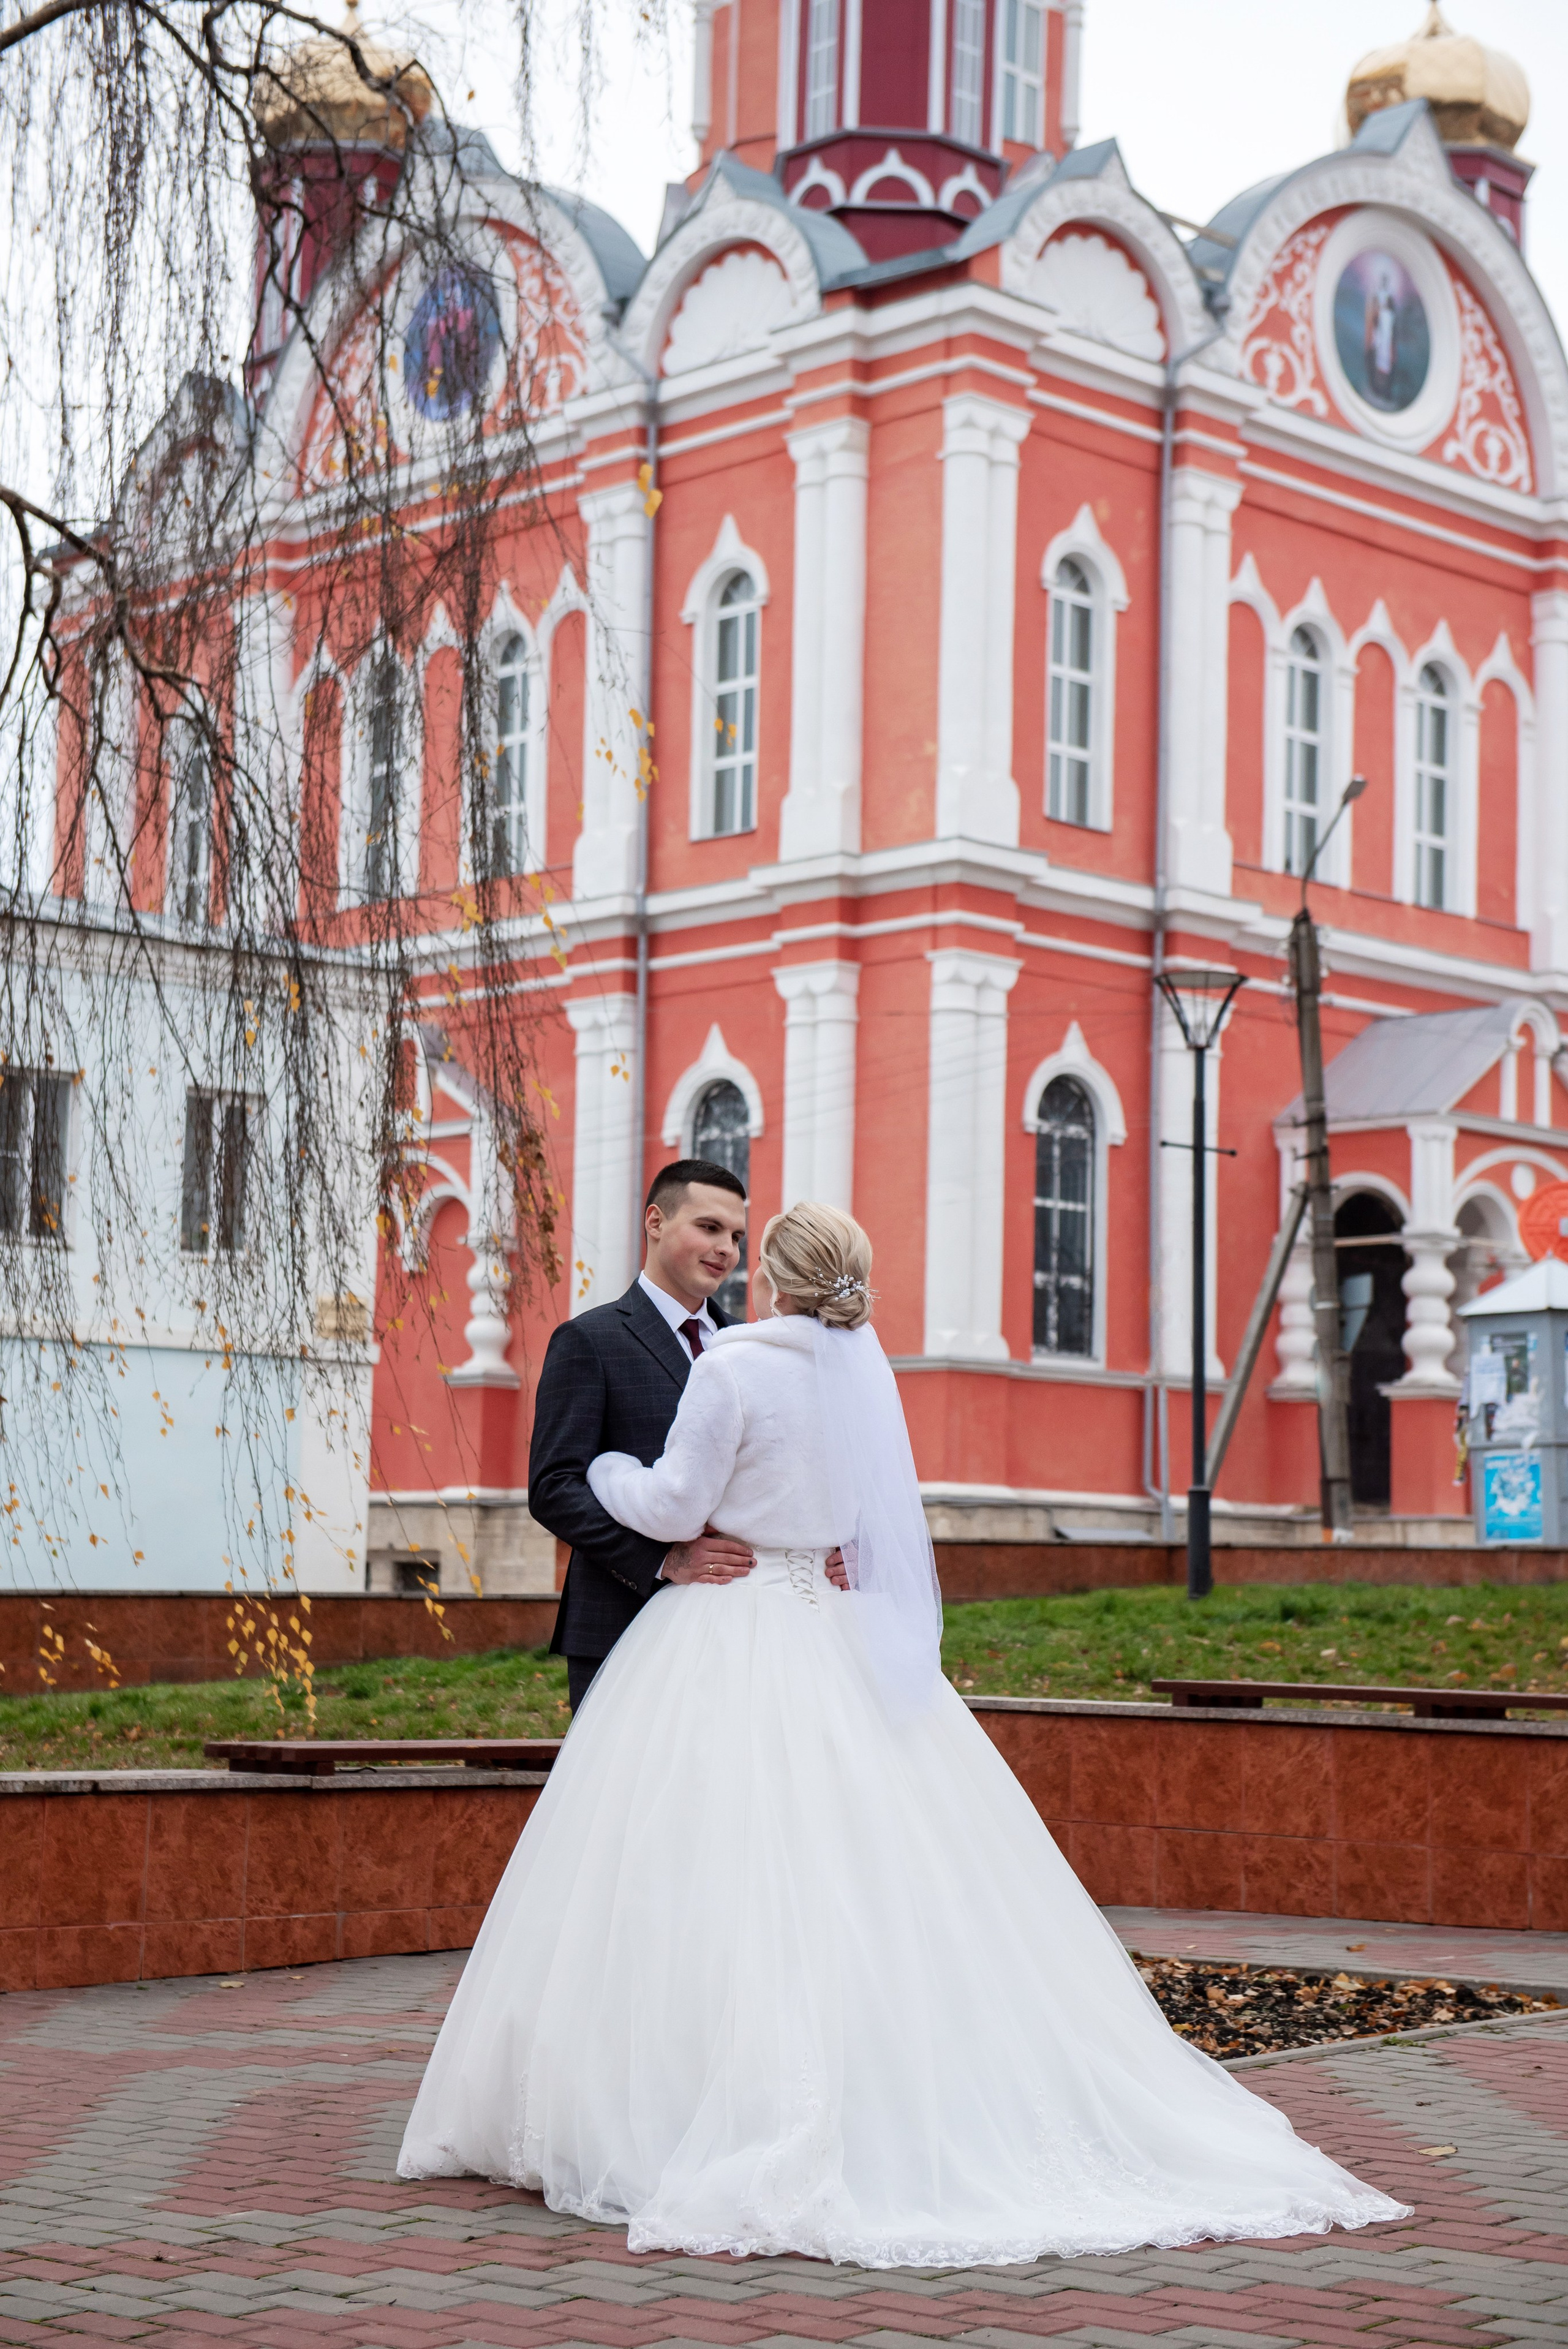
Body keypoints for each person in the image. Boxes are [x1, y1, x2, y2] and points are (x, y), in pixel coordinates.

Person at [400, 1202, 1409, 2266]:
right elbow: (870, 1522)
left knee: (693, 1866)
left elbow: (671, 1501)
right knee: (873, 1868)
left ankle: (669, 2102)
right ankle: (903, 2093)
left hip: (727, 1623)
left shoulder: (736, 1364)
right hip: (831, 1632)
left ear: (774, 1283)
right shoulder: (861, 1374)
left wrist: (609, 1475)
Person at [527, 1159, 760, 1713]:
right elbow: (554, 1487)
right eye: (708, 1227)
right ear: (655, 1221)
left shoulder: (749, 1347)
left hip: (739, 1626)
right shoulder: (589, 1339)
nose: (726, 1249)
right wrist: (664, 1560)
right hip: (621, 1620)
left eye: (736, 1236)